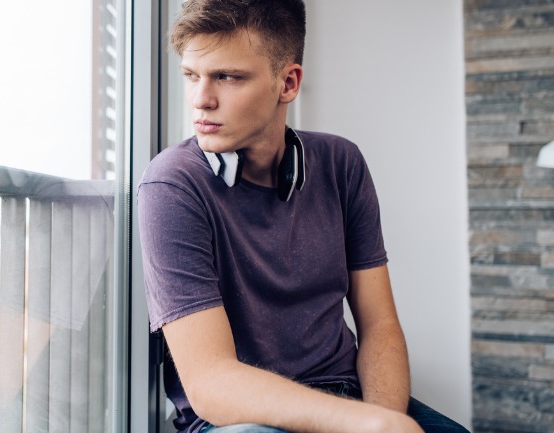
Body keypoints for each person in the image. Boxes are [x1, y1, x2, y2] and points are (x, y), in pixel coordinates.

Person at [136, 1, 470, 433]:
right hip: (240, 419)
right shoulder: (172, 184)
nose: (202, 99)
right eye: (192, 75)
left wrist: (382, 419)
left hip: (345, 398)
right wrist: (370, 426)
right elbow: (211, 384)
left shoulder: (341, 163)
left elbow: (380, 326)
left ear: (288, 83)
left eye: (228, 76)